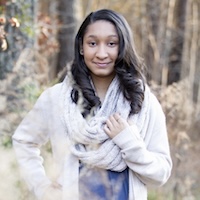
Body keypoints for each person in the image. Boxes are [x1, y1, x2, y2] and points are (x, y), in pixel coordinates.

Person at [12, 9, 172, 200]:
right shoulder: (56, 99)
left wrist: (129, 142)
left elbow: (160, 174)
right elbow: (23, 141)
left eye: (111, 44)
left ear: (122, 48)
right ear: (81, 47)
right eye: (93, 43)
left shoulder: (143, 102)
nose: (101, 53)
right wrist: (42, 188)